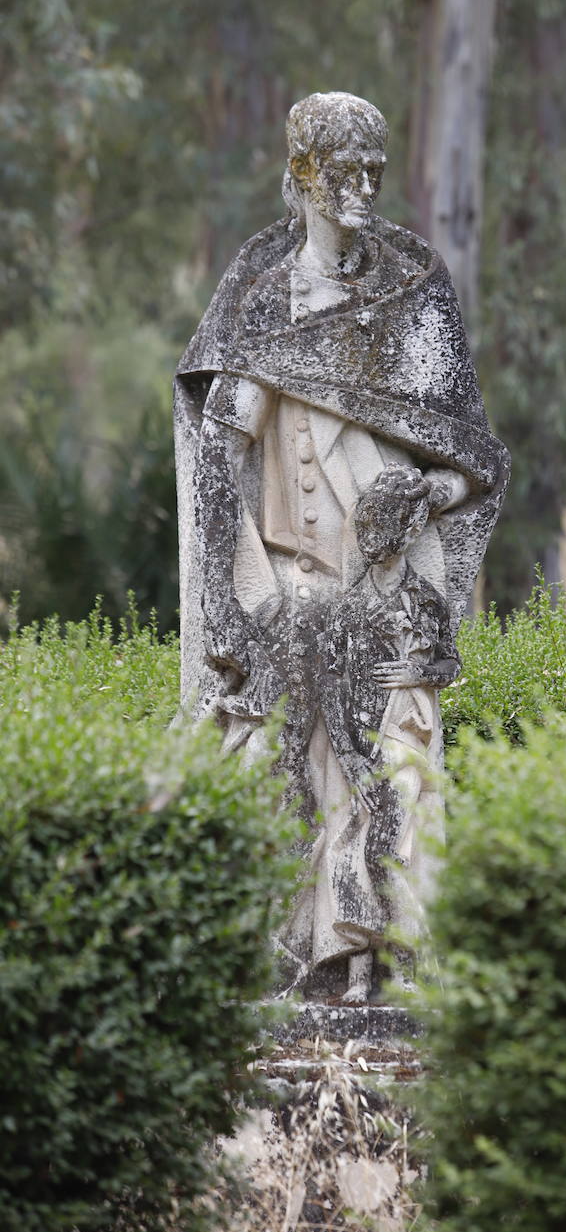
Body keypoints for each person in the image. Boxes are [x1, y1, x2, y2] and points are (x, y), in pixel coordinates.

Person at [173, 92, 508, 998]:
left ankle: (382, 967)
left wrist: (424, 489)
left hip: (391, 595)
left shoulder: (414, 287)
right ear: (301, 175)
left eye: (375, 169)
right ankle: (286, 966)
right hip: (287, 589)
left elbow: (472, 460)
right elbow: (221, 446)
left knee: (393, 781)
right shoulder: (260, 291)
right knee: (270, 774)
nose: (363, 187)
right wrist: (224, 603)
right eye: (343, 170)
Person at [318, 462, 460, 1003]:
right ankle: (360, 974)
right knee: (351, 852)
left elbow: (451, 664)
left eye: (385, 522)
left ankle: (403, 966)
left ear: (409, 526)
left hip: (402, 741)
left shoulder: (424, 600)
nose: (373, 535)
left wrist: (418, 673)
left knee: (387, 848)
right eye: (369, 522)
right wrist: (350, 757)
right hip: (355, 750)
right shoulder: (349, 607)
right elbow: (332, 686)